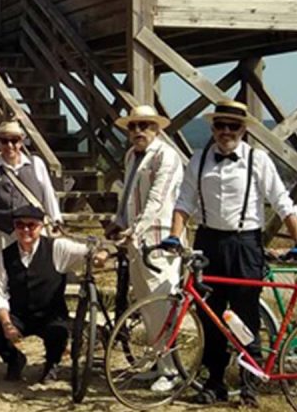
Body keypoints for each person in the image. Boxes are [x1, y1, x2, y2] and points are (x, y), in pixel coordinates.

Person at [159, 100, 297, 407]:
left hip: (245, 244)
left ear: (244, 130)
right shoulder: (199, 159)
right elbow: (184, 201)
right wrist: (174, 236)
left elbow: (281, 201)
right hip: (208, 242)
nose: (226, 131)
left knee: (245, 316)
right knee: (210, 315)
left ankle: (249, 384)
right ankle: (215, 383)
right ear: (212, 128)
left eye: (233, 126)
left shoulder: (259, 160)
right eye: (220, 125)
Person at [108, 105, 186, 392]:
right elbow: (128, 195)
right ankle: (156, 363)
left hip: (159, 240)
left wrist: (135, 229)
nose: (139, 131)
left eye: (145, 125)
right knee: (144, 303)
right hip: (135, 241)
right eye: (134, 126)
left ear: (157, 128)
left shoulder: (166, 156)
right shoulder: (132, 155)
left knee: (161, 303)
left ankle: (171, 370)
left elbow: (158, 199)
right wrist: (119, 222)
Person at [0, 205, 99, 384]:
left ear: (41, 226)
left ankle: (52, 364)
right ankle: (14, 360)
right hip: (19, 315)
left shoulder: (56, 248)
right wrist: (7, 324)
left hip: (50, 314)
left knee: (58, 331)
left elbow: (87, 252)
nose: (25, 230)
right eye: (20, 225)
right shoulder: (5, 256)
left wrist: (100, 254)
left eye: (31, 225)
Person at [0, 120, 62, 256]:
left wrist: (56, 220)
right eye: (4, 141)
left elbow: (48, 193)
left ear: (21, 142)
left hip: (34, 232)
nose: (9, 145)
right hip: (3, 233)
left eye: (14, 140)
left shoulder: (37, 164)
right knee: (3, 274)